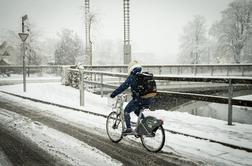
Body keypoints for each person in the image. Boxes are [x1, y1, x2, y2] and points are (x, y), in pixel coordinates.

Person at [110, 60, 154, 134]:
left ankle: (129, 128)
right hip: (148, 98)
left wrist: (114, 94)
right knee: (137, 111)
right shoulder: (143, 75)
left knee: (126, 111)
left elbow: (123, 87)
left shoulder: (133, 76)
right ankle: (146, 126)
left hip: (139, 100)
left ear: (130, 68)